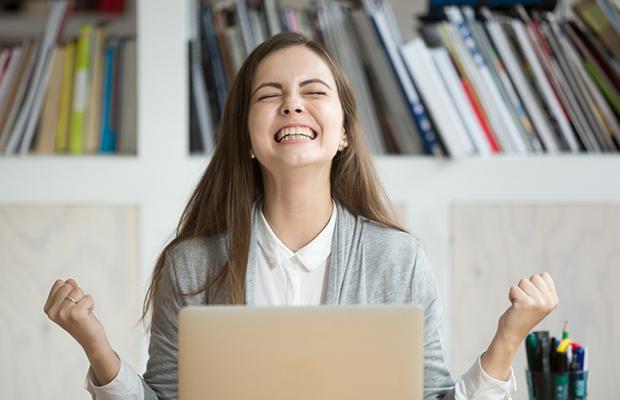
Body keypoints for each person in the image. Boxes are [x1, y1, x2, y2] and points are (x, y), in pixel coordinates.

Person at [43, 32, 559, 400]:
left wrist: (509, 338)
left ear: (342, 134)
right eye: (270, 95)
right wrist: (97, 348)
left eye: (313, 92)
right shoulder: (192, 265)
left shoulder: (397, 260)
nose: (292, 105)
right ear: (246, 137)